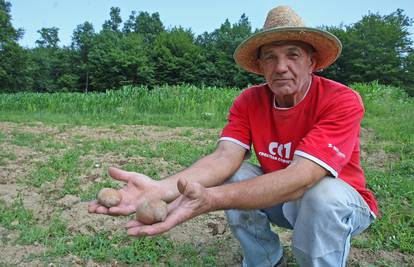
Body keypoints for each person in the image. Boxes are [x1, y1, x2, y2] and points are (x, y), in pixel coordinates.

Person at [88, 6, 378, 267]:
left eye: (293, 55)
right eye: (270, 58)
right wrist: (161, 189)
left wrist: (211, 199)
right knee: (235, 172)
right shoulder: (249, 101)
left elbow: (303, 178)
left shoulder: (340, 100)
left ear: (311, 62)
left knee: (322, 194)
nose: (280, 67)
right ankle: (265, 260)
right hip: (283, 201)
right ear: (261, 66)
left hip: (338, 206)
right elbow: (224, 157)